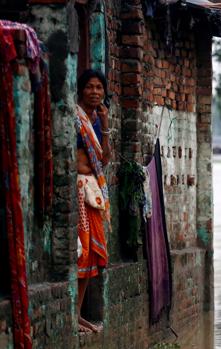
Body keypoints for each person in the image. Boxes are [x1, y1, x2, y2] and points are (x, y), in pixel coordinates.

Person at [74, 69, 111, 333]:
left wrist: (107, 126)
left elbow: (105, 160)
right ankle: (73, 314)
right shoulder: (74, 118)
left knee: (92, 259)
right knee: (81, 253)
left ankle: (77, 314)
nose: (95, 92)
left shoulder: (97, 121)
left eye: (99, 87)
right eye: (90, 87)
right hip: (77, 191)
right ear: (81, 90)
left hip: (93, 194)